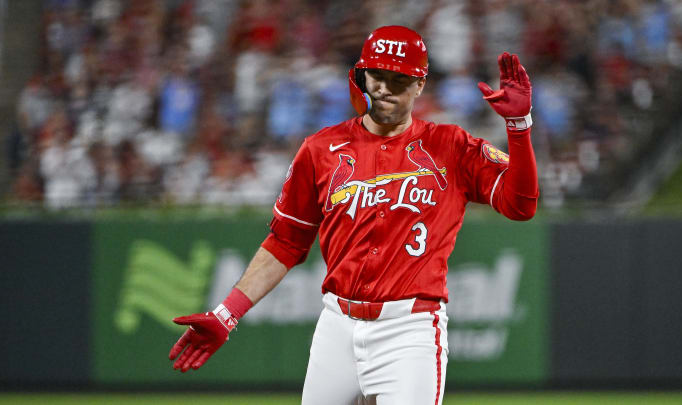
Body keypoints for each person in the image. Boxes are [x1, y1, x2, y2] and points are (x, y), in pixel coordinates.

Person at [169, 25, 538, 405]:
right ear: (362, 75)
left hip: (409, 329)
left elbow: (520, 204)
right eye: (378, 75)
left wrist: (518, 127)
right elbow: (285, 242)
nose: (385, 87)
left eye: (400, 79)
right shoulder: (321, 149)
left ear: (420, 85)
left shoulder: (451, 146)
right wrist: (226, 314)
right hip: (337, 325)